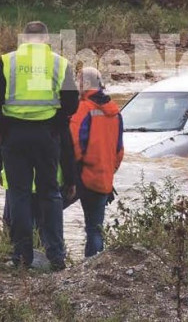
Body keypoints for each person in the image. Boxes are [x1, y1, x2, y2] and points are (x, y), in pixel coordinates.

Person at [0, 21, 78, 270]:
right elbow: (72, 104)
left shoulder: (7, 61)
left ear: (24, 39)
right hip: (47, 135)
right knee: (50, 194)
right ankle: (56, 256)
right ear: (47, 39)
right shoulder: (60, 63)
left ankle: (21, 256)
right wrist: (56, 125)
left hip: (14, 136)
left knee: (19, 194)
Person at [70, 67, 124, 257]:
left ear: (84, 84)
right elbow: (119, 150)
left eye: (79, 81)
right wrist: (109, 169)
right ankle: (95, 265)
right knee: (96, 227)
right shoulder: (115, 112)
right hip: (104, 177)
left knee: (48, 213)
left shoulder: (83, 108)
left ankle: (51, 258)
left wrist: (71, 170)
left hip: (84, 175)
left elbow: (75, 143)